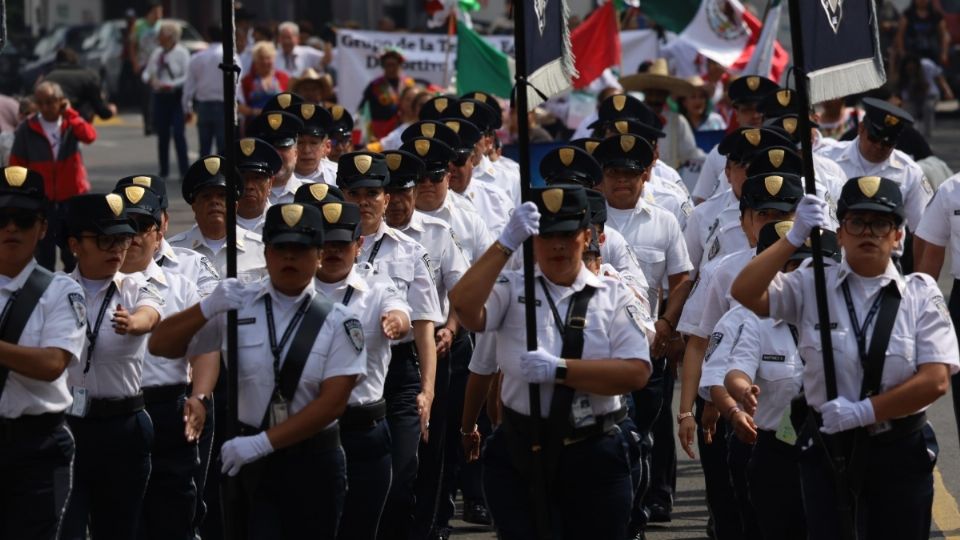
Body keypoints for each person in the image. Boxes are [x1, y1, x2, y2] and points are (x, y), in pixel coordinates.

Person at [732, 178, 959, 540]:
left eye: (881, 223)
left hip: (897, 450)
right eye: (856, 222)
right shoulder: (811, 285)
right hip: (829, 447)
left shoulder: (920, 294)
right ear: (839, 233)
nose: (868, 232)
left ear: (898, 235)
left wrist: (865, 412)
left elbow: (936, 380)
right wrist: (791, 239)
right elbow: (744, 291)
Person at [149, 203, 367, 539]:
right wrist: (205, 308)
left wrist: (263, 443)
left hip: (312, 460)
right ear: (266, 253)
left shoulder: (341, 321)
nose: (289, 258)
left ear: (320, 255)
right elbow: (161, 345)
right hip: (251, 464)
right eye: (281, 248)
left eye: (300, 249)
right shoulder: (238, 306)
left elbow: (332, 403)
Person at [451, 185, 651, 539]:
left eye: (567, 234)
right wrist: (505, 244)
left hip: (594, 451)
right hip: (521, 450)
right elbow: (464, 308)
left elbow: (636, 372)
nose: (557, 245)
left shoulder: (613, 295)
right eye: (546, 235)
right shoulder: (512, 289)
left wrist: (561, 370)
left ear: (587, 236)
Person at [336, 151, 443, 540]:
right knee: (343, 482)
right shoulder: (324, 248)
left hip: (398, 376)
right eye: (354, 192)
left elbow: (425, 325)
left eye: (373, 192)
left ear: (386, 197)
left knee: (398, 479)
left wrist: (427, 391)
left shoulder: (410, 251)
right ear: (340, 194)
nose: (364, 201)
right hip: (341, 372)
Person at [717, 220, 839, 540]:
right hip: (777, 450)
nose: (809, 276)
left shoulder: (847, 324)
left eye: (821, 269)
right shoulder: (760, 322)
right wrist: (744, 390)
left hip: (836, 446)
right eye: (796, 266)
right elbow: (736, 371)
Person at [111, 182, 215, 540]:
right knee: (122, 520)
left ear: (160, 231)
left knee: (174, 514)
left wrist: (200, 397)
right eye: (126, 226)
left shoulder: (181, 286)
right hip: (115, 415)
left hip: (168, 410)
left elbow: (204, 349)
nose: (134, 236)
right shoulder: (92, 286)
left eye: (143, 226)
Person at [60, 193, 164, 540]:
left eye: (122, 239)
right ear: (76, 244)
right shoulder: (56, 292)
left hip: (124, 426)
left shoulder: (135, 287)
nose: (117, 249)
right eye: (105, 240)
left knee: (119, 527)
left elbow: (151, 313)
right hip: (70, 424)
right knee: (67, 526)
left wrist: (135, 323)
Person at [382, 149, 471, 538]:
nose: (398, 201)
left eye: (406, 192)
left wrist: (450, 328)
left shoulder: (435, 234)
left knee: (431, 444)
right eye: (391, 192)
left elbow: (462, 292)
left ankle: (430, 522)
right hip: (375, 357)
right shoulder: (355, 238)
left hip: (431, 349)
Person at [312, 200, 411, 540]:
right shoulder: (295, 292)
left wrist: (395, 323)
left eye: (342, 244)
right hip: (311, 432)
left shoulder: (377, 289)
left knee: (361, 526)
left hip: (363, 430)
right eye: (325, 244)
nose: (333, 252)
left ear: (359, 246)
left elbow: (400, 311)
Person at [0, 166, 87, 539]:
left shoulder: (60, 292)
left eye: (23, 219)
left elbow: (53, 363)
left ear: (42, 228)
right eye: (2, 219)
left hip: (35, 446)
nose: (11, 228)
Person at [818, 98, 932, 272]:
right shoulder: (827, 158)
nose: (879, 146)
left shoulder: (910, 171)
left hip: (885, 263)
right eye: (874, 138)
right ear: (861, 129)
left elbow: (924, 231)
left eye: (888, 143)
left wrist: (920, 278)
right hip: (833, 262)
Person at [10, 81, 96, 272]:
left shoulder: (70, 123)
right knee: (44, 255)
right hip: (43, 200)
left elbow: (89, 135)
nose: (46, 108)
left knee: (73, 253)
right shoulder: (27, 128)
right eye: (40, 103)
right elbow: (16, 163)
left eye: (50, 102)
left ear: (60, 101)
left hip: (72, 197)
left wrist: (71, 113)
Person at [167, 155, 266, 282]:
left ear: (235, 206)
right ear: (194, 207)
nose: (214, 201)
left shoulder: (259, 249)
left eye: (222, 196)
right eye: (206, 196)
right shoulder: (174, 252)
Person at [690, 75, 779, 204]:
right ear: (736, 114)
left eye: (760, 110)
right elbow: (701, 201)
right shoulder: (718, 153)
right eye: (747, 110)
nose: (755, 116)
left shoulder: (781, 152)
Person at [618, 58, 703, 172]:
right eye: (652, 92)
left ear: (666, 95)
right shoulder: (630, 119)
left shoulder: (676, 120)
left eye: (660, 93)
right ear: (645, 93)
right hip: (635, 176)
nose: (655, 97)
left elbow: (690, 153)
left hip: (668, 181)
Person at [142, 21, 191, 182]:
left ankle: (184, 170)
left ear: (170, 36)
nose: (158, 37)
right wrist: (150, 80)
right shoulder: (157, 53)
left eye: (161, 33)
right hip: (160, 96)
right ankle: (164, 170)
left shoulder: (182, 53)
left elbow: (187, 77)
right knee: (162, 134)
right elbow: (147, 73)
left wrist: (170, 85)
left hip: (175, 96)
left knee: (178, 133)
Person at [183, 26, 226, 156]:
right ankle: (224, 176)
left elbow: (189, 86)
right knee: (223, 148)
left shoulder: (198, 57)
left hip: (204, 106)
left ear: (208, 37)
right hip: (224, 105)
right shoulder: (231, 56)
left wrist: (187, 108)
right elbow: (238, 83)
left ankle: (205, 175)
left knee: (204, 149)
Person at [44, 47, 117, 124]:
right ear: (76, 60)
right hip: (79, 125)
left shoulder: (48, 77)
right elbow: (100, 110)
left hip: (51, 124)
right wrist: (110, 111)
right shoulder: (89, 76)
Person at [250, 109, 304, 206]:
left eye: (283, 147)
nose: (276, 154)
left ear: (296, 153)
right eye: (269, 148)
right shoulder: (243, 197)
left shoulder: (307, 194)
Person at [360, 50, 416, 140]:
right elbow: (362, 108)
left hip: (405, 128)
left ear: (399, 65)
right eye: (387, 65)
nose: (391, 68)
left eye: (394, 65)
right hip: (381, 131)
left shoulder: (408, 83)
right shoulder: (375, 85)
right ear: (383, 66)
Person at [236, 137, 282, 234]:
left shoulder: (281, 223)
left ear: (270, 183)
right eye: (243, 179)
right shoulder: (215, 225)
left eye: (257, 178)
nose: (249, 186)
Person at [131, 1, 163, 136]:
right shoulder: (139, 26)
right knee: (146, 96)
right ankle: (148, 124)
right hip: (144, 65)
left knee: (158, 95)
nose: (158, 15)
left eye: (160, 12)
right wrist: (135, 63)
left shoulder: (161, 26)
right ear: (149, 13)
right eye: (156, 12)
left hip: (158, 66)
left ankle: (157, 123)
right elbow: (132, 45)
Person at [239, 42, 290, 125]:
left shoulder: (283, 78)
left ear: (274, 59)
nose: (265, 62)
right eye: (261, 58)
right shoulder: (247, 80)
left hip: (280, 125)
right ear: (255, 61)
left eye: (268, 58)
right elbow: (239, 106)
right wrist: (255, 112)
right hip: (255, 125)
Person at [895, 0, 950, 68]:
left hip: (932, 52)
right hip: (913, 53)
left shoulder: (936, 14)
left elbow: (944, 35)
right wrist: (902, 52)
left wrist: (944, 53)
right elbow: (900, 35)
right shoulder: (908, 14)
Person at [291, 102, 336, 185]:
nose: (306, 150)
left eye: (313, 143)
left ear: (326, 147)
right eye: (299, 143)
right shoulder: (276, 178)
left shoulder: (338, 177)